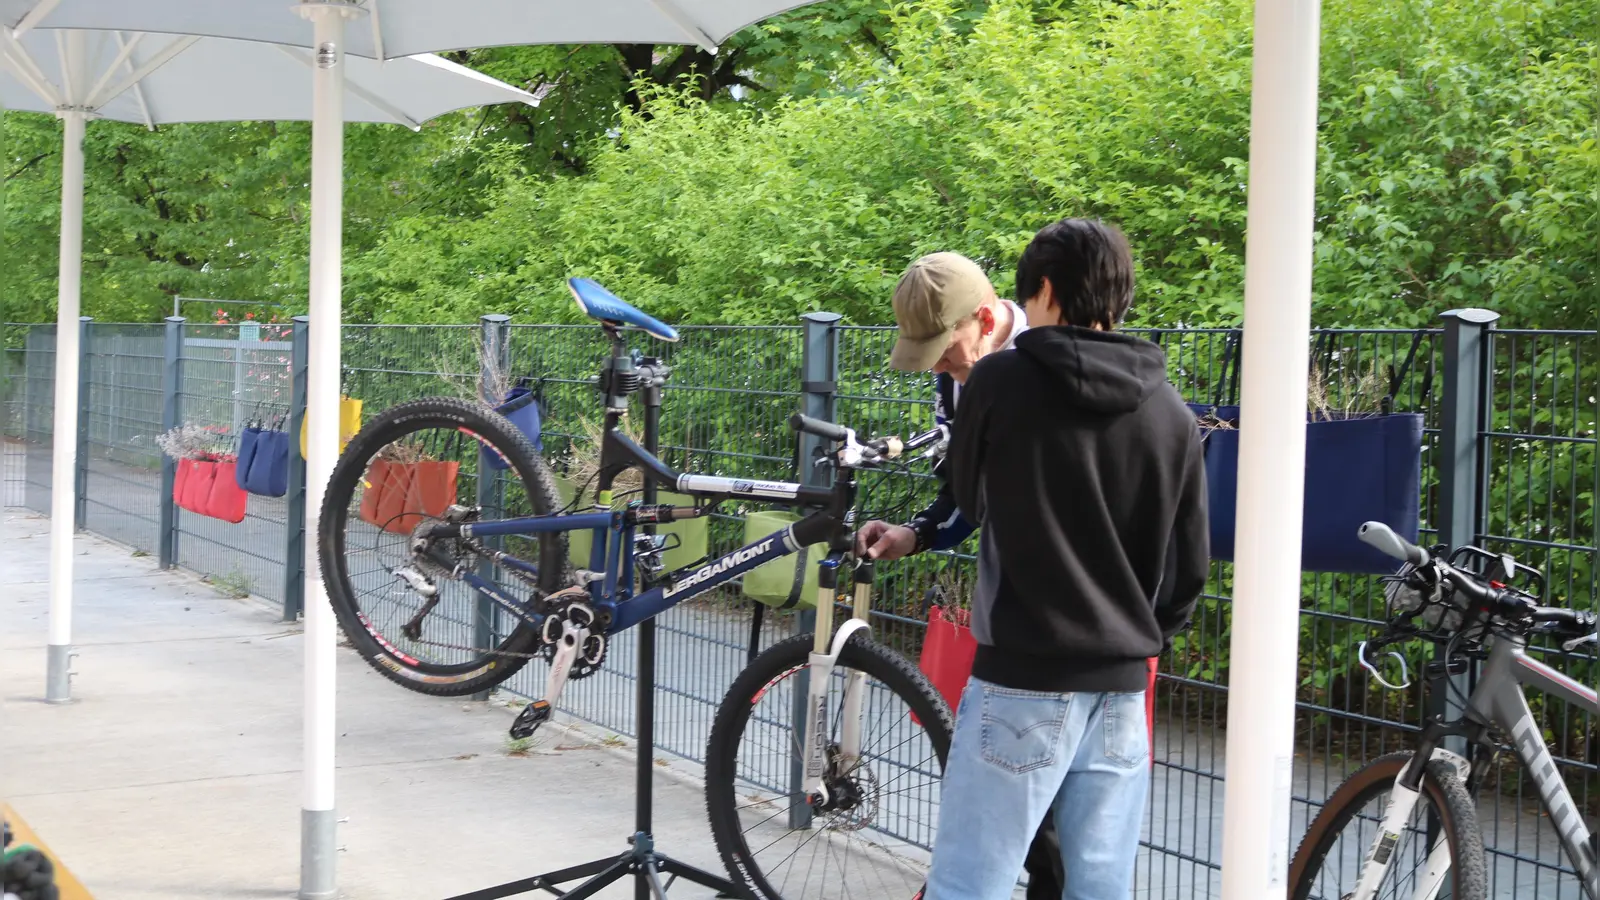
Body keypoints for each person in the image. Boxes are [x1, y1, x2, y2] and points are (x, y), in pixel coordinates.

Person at [923, 218, 1209, 900]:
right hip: (1121, 688)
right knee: (1100, 888)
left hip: (1022, 674)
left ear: (1044, 288)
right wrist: (1134, 637)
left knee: (970, 883)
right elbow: (1187, 567)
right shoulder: (1172, 412)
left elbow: (969, 495)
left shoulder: (999, 381)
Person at [854, 251, 1067, 899]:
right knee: (1021, 806)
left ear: (984, 317)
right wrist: (914, 535)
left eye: (946, 351)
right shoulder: (959, 371)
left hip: (1071, 615)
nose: (941, 367)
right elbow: (964, 485)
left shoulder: (1050, 357)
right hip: (1012, 609)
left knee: (1039, 812)